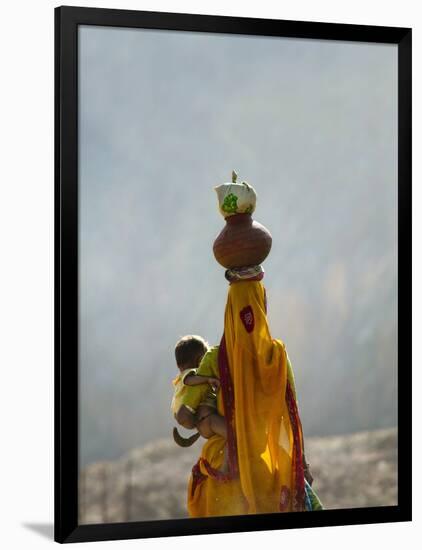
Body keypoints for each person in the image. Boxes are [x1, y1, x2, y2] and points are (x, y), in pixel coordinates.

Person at [182, 277, 323, 516]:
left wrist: (206, 421)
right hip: (267, 465)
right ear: (263, 306)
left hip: (224, 467)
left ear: (228, 311)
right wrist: (301, 463)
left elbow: (185, 417)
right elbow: (291, 416)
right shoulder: (278, 357)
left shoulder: (214, 358)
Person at [171, 335, 227, 443]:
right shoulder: (189, 374)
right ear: (200, 359)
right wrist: (208, 379)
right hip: (208, 419)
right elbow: (190, 380)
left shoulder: (180, 382)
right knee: (233, 436)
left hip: (201, 422)